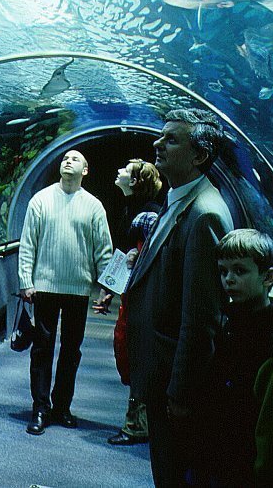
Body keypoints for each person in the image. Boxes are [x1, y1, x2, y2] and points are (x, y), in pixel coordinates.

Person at [124, 108, 234, 487]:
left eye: (171, 139)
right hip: (160, 374)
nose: (157, 143)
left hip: (174, 382)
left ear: (199, 155)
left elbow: (202, 318)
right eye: (161, 135)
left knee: (176, 475)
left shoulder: (205, 214)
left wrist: (181, 392)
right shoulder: (179, 200)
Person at [18, 149, 113, 435]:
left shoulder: (94, 206)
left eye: (75, 159)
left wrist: (106, 287)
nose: (68, 161)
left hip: (78, 289)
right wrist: (26, 280)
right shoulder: (40, 200)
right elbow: (28, 244)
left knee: (71, 351)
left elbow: (103, 251)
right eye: (65, 158)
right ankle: (40, 408)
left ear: (86, 170)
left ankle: (61, 407)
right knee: (42, 349)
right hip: (45, 286)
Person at [208, 229, 273, 487]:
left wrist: (262, 474)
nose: (229, 279)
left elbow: (271, 426)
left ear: (268, 277)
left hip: (250, 471)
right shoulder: (232, 323)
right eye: (223, 271)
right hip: (224, 459)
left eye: (239, 271)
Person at [106, 159, 163, 447]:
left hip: (142, 299)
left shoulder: (148, 215)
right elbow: (125, 253)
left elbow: (151, 256)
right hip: (132, 296)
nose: (119, 171)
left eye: (125, 170)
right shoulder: (131, 209)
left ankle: (137, 425)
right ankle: (138, 422)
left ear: (137, 181)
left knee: (135, 352)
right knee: (127, 348)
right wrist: (109, 289)